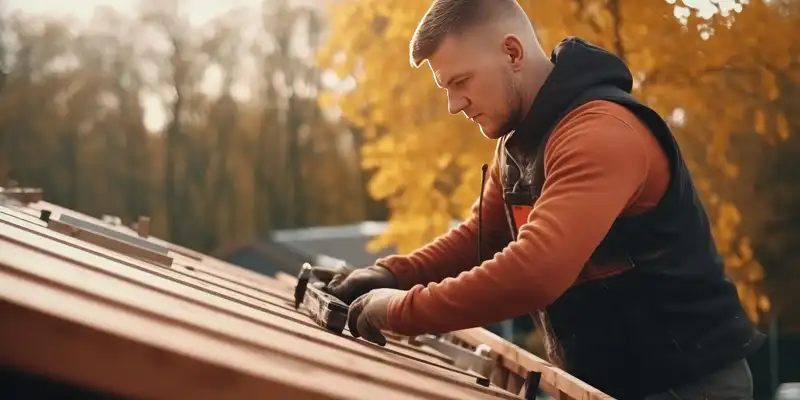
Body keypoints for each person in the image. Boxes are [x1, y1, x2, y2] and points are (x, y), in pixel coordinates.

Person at [310, 0, 765, 398]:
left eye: (462, 80)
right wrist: (385, 273)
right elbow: (480, 240)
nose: (454, 104)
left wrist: (400, 310)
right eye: (446, 86)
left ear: (512, 52)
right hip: (606, 385)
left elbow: (535, 273)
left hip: (688, 386)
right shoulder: (518, 144)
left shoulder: (601, 133)